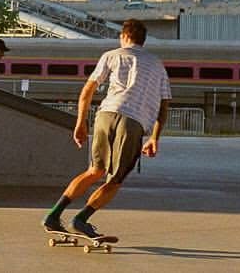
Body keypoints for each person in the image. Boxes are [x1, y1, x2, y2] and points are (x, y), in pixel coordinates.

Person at [42, 19, 171, 239]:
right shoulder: (157, 64)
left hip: (105, 115)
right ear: (143, 40)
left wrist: (81, 122)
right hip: (134, 122)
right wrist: (154, 138)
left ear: (124, 36)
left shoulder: (111, 55)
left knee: (94, 170)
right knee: (114, 180)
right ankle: (81, 220)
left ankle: (53, 216)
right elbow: (164, 104)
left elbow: (87, 91)